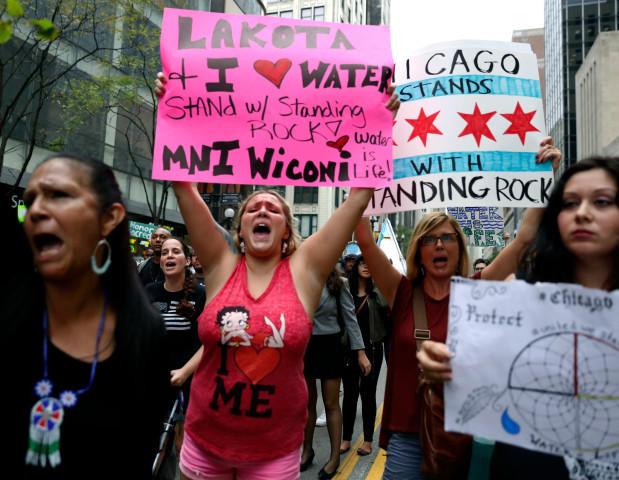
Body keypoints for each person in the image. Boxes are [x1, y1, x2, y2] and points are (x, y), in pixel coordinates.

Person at [155, 72, 399, 480]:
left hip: (273, 454)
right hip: (205, 447)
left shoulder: (305, 269)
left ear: (287, 230)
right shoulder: (220, 264)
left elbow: (360, 193)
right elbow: (183, 184)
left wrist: (379, 123)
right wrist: (171, 110)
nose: (262, 210)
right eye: (253, 207)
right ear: (240, 229)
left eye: (273, 208)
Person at [355, 138, 561, 479]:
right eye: (430, 239)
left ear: (459, 247)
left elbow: (524, 240)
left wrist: (544, 179)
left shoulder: (477, 289)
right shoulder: (401, 292)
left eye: (447, 237)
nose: (439, 244)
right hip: (407, 436)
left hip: (464, 436)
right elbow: (363, 238)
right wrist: (363, 167)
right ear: (418, 251)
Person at [418, 156, 619, 480]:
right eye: (569, 203)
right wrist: (438, 363)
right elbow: (473, 367)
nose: (582, 213)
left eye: (602, 201)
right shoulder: (517, 294)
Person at [2, 153, 169, 478]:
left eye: (58, 195)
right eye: (30, 199)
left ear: (110, 217)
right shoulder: (8, 309)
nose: (36, 210)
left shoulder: (145, 335)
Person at [301, 268, 371, 476]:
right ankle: (307, 450)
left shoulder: (340, 283)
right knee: (308, 403)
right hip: (306, 346)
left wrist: (361, 353)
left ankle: (334, 458)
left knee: (331, 404)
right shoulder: (300, 278)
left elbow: (351, 319)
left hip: (331, 347)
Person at [146, 236, 206, 457]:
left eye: (175, 252)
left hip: (188, 382)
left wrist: (184, 373)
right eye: (164, 253)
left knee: (183, 447)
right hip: (153, 380)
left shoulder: (200, 294)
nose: (168, 255)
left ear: (187, 261)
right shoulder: (149, 291)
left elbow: (209, 343)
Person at [340, 255, 390, 457]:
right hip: (349, 350)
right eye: (363, 263)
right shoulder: (347, 291)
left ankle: (368, 440)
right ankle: (346, 438)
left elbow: (386, 306)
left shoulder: (377, 291)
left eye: (370, 263)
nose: (367, 266)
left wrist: (376, 282)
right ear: (355, 267)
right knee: (349, 395)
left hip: (373, 348)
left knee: (368, 394)